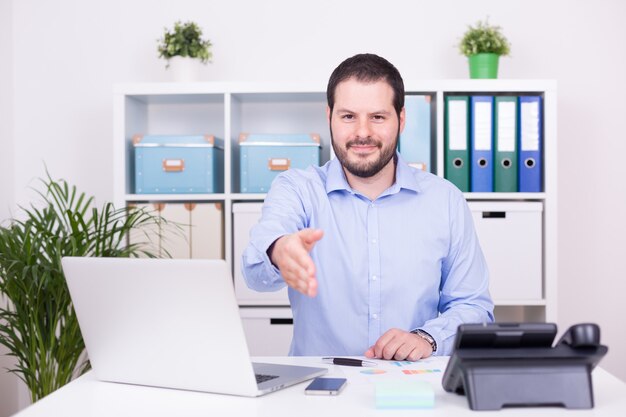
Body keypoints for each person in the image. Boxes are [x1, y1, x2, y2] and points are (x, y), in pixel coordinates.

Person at [242, 53, 494, 361]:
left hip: (411, 389)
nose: (362, 132)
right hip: (319, 394)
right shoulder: (297, 189)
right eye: (348, 116)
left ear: (401, 119)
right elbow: (254, 273)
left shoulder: (445, 200)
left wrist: (428, 338)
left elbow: (474, 307)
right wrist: (279, 251)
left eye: (377, 117)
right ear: (329, 116)